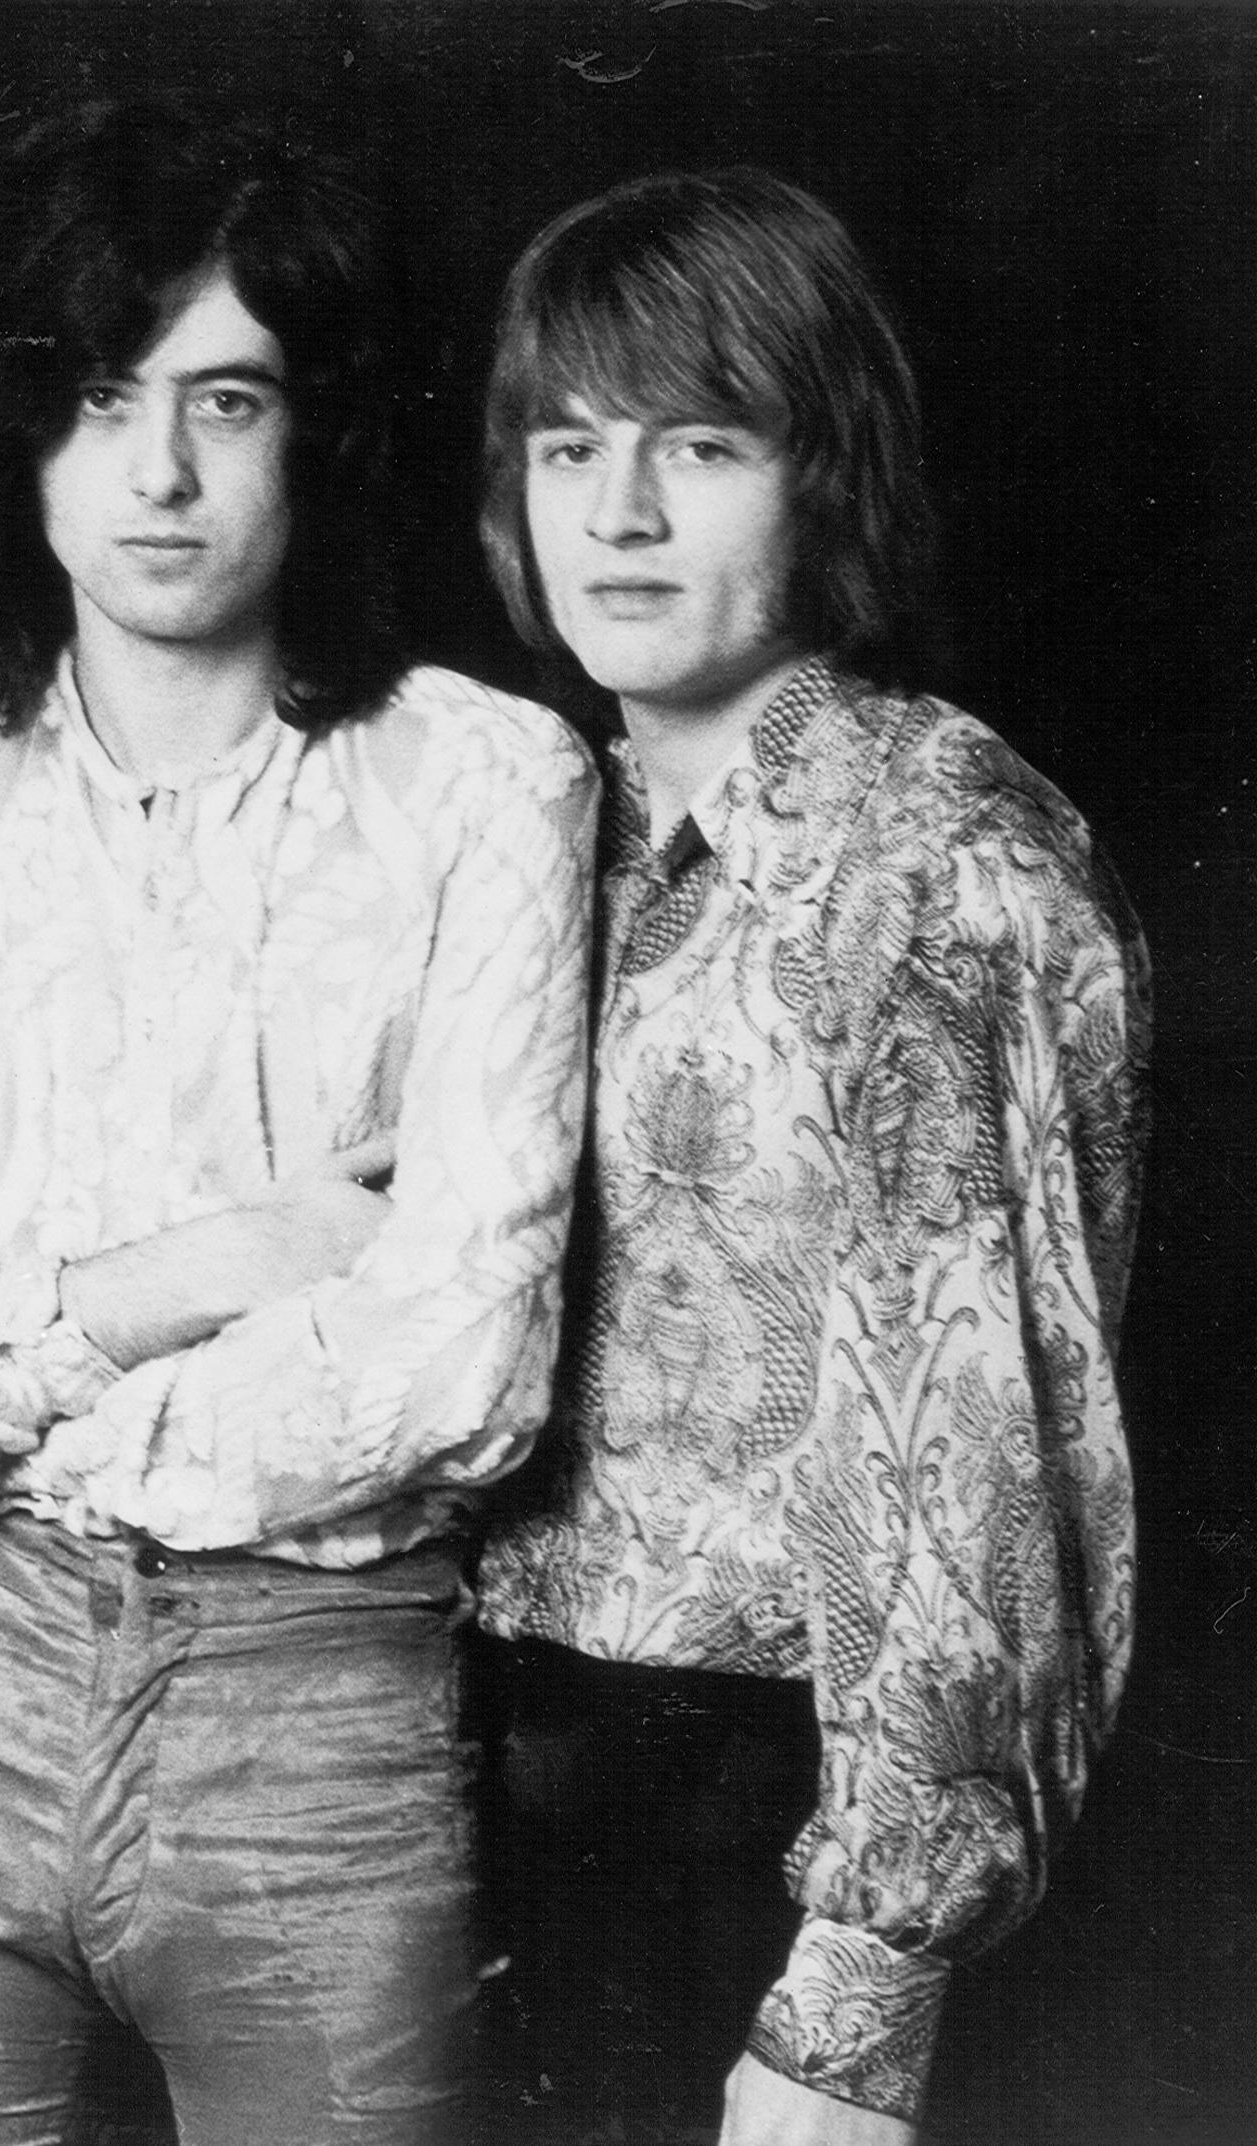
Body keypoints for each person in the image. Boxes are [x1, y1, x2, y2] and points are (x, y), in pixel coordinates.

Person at [0, 100, 598, 2145]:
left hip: (318, 1725)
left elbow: (463, 1365)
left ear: (315, 430)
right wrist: (158, 1287)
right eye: (98, 397)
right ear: (19, 436)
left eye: (225, 400)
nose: (159, 470)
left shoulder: (486, 784)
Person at [469, 168, 1150, 2146]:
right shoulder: (544, 831)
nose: (619, 512)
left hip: (780, 1814)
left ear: (824, 473)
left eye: (700, 445)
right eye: (568, 446)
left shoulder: (936, 857)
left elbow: (974, 1464)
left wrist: (856, 1997)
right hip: (512, 1775)